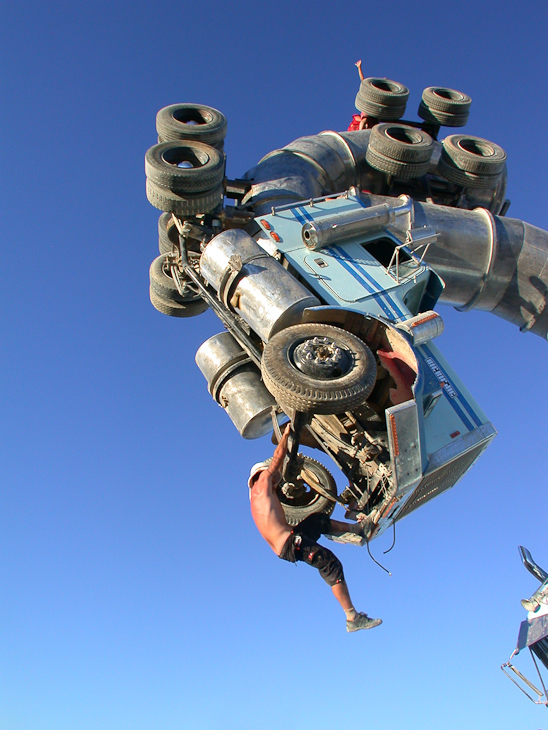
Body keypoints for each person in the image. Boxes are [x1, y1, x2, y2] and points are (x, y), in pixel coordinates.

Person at [248, 425, 382, 633]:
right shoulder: (262, 481)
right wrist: (286, 436)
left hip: (289, 540)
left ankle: (357, 528)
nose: (277, 479)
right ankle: (352, 617)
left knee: (318, 520)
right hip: (291, 544)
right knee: (330, 564)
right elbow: (277, 458)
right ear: (260, 475)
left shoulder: (257, 500)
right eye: (272, 476)